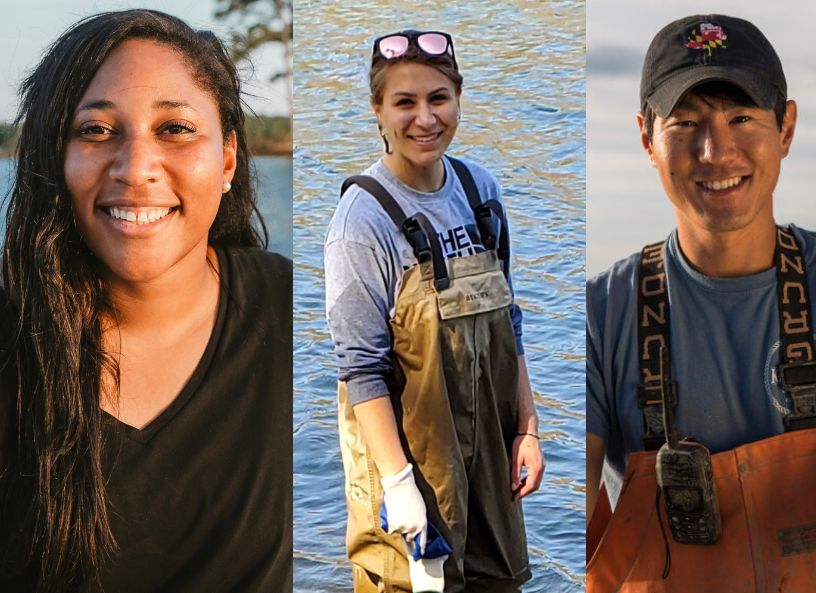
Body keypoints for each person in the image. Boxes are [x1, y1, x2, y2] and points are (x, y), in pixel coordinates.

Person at [0, 9, 292, 593]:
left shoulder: (295, 311)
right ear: (54, 158)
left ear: (229, 159)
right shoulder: (13, 341)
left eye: (175, 129)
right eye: (96, 130)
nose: (136, 169)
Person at [585, 14, 816, 591]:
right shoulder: (598, 313)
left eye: (741, 117)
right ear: (647, 138)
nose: (715, 151)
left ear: (786, 129)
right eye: (686, 122)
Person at [324, 29, 544, 593]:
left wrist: (528, 429)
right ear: (378, 109)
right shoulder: (361, 223)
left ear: (458, 99)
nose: (425, 118)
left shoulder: (479, 190)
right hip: (410, 473)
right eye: (405, 102)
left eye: (439, 98)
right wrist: (399, 485)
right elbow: (361, 369)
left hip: (490, 464)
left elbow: (510, 322)